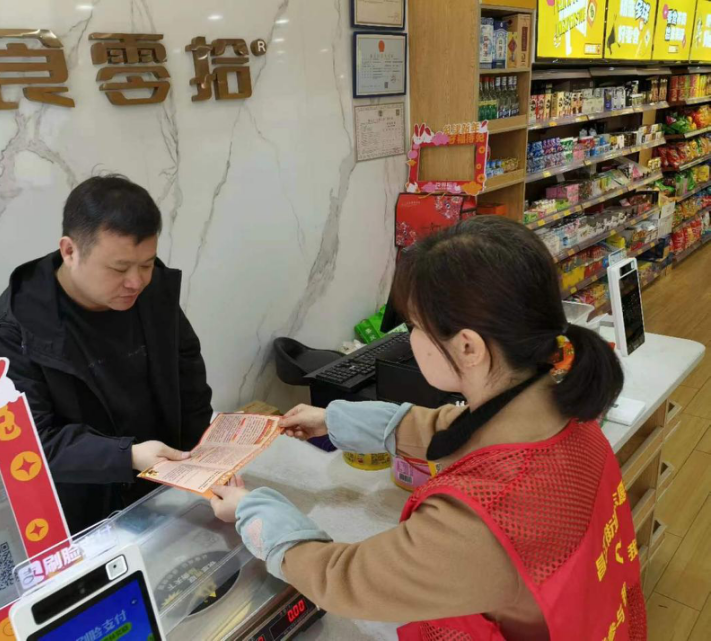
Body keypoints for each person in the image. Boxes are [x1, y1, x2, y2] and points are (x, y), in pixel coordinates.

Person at [209, 216, 646, 640]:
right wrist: (332, 420)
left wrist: (254, 511)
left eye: (415, 326)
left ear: (468, 347)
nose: (411, 338)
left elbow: (346, 580)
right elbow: (455, 426)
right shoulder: (564, 401)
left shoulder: (483, 519)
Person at [0, 175, 213, 534]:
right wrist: (127, 456)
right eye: (119, 268)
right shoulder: (11, 330)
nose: (136, 281)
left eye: (147, 264)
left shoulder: (151, 293)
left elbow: (188, 377)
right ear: (70, 251)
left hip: (166, 487)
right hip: (82, 514)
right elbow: (26, 443)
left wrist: (204, 455)